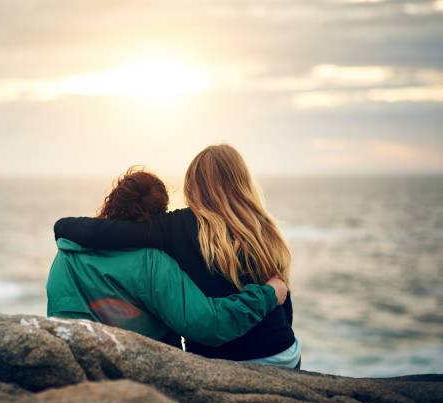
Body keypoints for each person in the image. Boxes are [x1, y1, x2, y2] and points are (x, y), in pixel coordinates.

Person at [54, 145, 301, 368]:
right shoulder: (264, 228)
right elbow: (283, 299)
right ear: (243, 181)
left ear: (192, 186)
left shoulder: (176, 227)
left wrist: (63, 228)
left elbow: (106, 231)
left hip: (223, 359)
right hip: (284, 351)